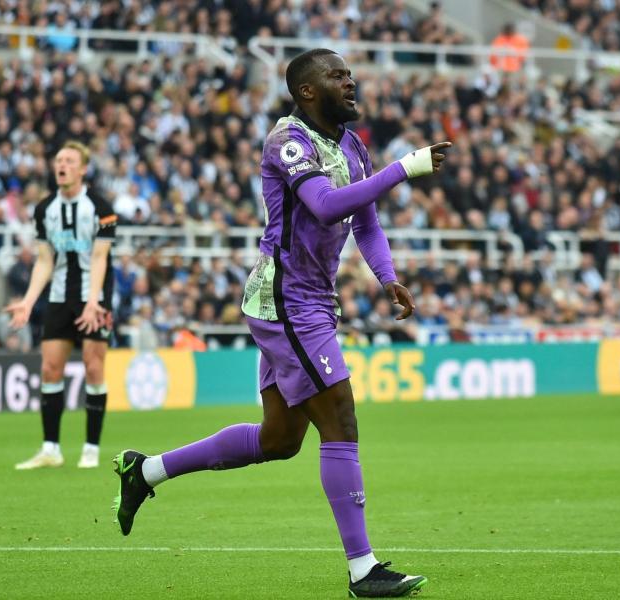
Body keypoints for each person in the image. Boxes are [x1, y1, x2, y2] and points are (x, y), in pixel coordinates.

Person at [111, 49, 450, 598]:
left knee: (280, 439)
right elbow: (323, 205)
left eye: (349, 73)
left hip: (309, 299)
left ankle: (145, 471)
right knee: (340, 418)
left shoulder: (351, 145)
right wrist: (404, 168)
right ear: (307, 91)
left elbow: (365, 221)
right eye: (337, 75)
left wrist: (387, 276)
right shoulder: (287, 141)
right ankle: (363, 570)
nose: (350, 81)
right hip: (286, 299)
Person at [6, 141, 117, 470]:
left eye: (69, 160)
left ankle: (91, 449)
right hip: (58, 295)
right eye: (58, 159)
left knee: (93, 367)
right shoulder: (44, 210)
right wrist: (27, 302)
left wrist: (93, 301)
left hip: (94, 295)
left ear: (82, 169)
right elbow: (44, 261)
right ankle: (50, 448)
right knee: (50, 368)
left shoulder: (100, 206)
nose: (62, 165)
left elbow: (100, 257)